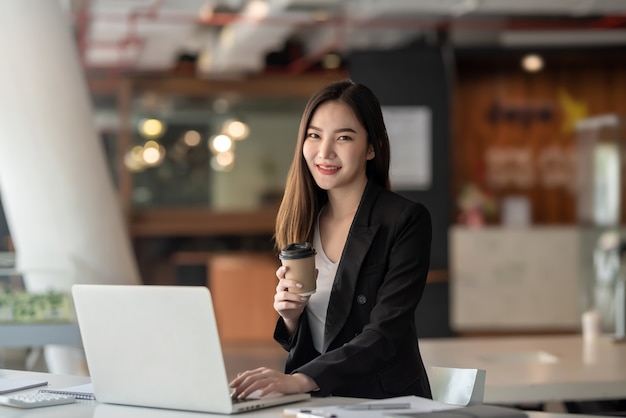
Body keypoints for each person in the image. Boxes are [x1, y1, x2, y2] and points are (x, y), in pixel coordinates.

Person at [229, 79, 432, 400]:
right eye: (314, 135)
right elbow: (321, 335)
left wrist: (299, 379)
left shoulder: (405, 220)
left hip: (384, 402)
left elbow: (385, 334)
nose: (325, 152)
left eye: (344, 137)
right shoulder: (302, 221)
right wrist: (291, 318)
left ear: (371, 147)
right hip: (322, 400)